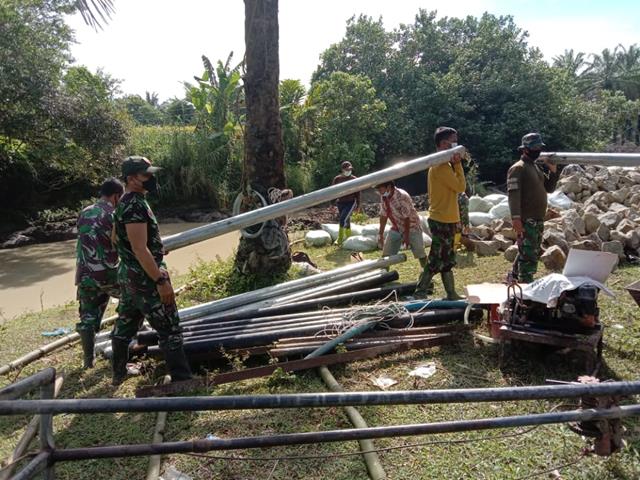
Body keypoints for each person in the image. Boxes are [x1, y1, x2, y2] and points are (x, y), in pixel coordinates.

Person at [111, 156, 192, 385]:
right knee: (169, 327)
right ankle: (182, 380)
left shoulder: (124, 202)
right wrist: (159, 280)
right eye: (146, 174)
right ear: (131, 179)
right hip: (146, 278)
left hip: (129, 275)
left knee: (126, 323)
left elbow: (116, 238)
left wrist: (154, 248)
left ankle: (118, 373)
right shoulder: (135, 205)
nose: (151, 178)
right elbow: (139, 247)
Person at [75, 178, 124, 369]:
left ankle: (88, 359)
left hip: (84, 273)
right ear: (116, 196)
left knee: (88, 316)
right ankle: (123, 341)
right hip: (108, 272)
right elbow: (121, 242)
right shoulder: (113, 214)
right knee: (133, 300)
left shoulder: (85, 212)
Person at [416, 126, 466, 300]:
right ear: (444, 144)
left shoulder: (444, 165)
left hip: (447, 218)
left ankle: (451, 293)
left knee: (447, 258)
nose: (456, 145)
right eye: (453, 141)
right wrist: (458, 165)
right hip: (441, 219)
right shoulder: (441, 166)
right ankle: (420, 292)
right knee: (436, 259)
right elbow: (460, 187)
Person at [507, 133, 559, 283]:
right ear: (525, 149)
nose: (538, 150)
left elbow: (549, 188)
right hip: (526, 219)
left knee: (530, 249)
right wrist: (516, 219)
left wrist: (553, 171)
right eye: (534, 147)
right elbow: (513, 195)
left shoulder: (535, 167)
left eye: (539, 147)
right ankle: (525, 283)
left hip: (537, 218)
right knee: (529, 254)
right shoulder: (518, 168)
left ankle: (514, 276)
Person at [376, 180, 427, 274]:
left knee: (420, 252)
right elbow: (383, 215)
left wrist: (406, 237)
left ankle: (427, 272)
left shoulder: (402, 196)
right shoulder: (384, 197)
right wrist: (380, 234)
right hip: (396, 227)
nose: (379, 191)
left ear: (388, 187)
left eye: (380, 188)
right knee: (387, 252)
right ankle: (383, 273)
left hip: (412, 227)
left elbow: (406, 217)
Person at [331, 161, 361, 245]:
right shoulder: (337, 179)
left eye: (350, 169)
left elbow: (358, 193)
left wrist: (358, 205)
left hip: (350, 202)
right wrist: (332, 204)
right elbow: (333, 192)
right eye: (347, 169)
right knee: (346, 220)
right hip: (340, 202)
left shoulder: (354, 179)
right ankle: (348, 237)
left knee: (342, 219)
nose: (349, 171)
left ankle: (340, 238)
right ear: (342, 170)